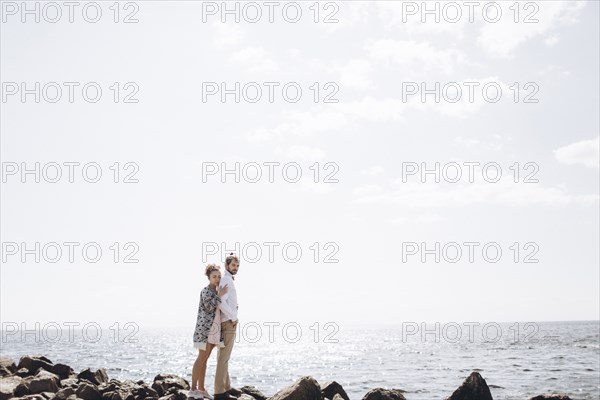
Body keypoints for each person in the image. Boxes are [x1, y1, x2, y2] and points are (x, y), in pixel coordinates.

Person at [190, 264, 229, 400]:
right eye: (214, 276)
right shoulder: (206, 291)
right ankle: (193, 389)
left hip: (215, 331)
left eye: (219, 276)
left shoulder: (218, 290)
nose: (217, 279)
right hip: (204, 330)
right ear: (209, 277)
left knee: (205, 360)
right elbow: (209, 307)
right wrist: (219, 295)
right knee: (201, 358)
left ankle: (201, 389)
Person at [214, 253, 242, 400]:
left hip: (226, 321)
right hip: (228, 323)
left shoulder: (227, 279)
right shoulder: (226, 279)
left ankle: (226, 386)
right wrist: (233, 316)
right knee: (223, 358)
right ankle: (219, 393)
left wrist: (233, 308)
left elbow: (225, 300)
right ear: (226, 265)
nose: (236, 268)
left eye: (237, 266)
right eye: (233, 265)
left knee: (223, 357)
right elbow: (220, 301)